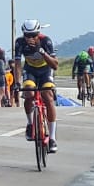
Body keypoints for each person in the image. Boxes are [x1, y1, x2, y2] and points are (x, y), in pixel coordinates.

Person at [13, 19, 59, 153]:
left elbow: (55, 65)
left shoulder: (46, 41)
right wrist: (16, 82)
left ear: (38, 33)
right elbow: (17, 64)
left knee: (48, 96)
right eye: (27, 35)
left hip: (45, 71)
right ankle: (30, 123)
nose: (30, 38)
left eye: (33, 35)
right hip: (30, 71)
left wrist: (42, 52)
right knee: (29, 92)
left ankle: (52, 138)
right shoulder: (19, 42)